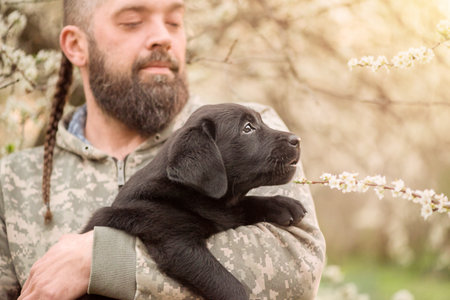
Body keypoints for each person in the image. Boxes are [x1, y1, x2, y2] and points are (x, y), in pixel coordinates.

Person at [0, 0, 326, 299]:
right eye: (132, 21)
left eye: (174, 22)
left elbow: (297, 267)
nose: (162, 37)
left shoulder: (243, 133)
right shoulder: (12, 182)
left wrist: (104, 261)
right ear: (76, 45)